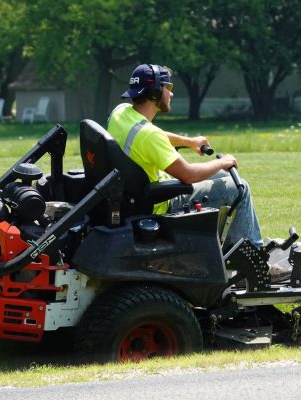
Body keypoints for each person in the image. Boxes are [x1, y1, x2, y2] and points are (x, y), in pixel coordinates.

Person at [107, 64, 290, 282]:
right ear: (155, 92)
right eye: (168, 87)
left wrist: (188, 142)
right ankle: (255, 266)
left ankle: (231, 250)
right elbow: (189, 175)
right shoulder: (149, 136)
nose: (171, 93)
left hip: (135, 196)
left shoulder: (120, 114)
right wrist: (223, 162)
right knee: (238, 188)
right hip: (158, 203)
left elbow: (152, 134)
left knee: (223, 180)